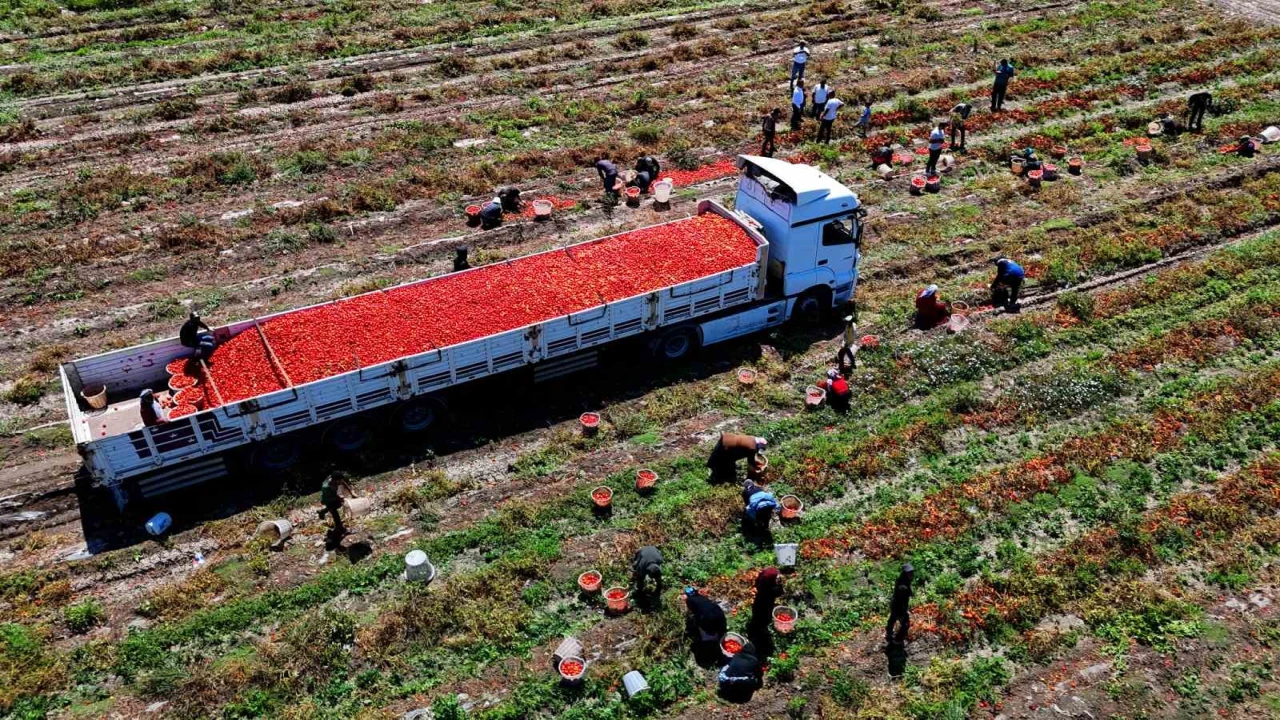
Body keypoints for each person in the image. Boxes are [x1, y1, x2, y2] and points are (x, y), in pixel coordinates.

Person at [684, 587, 728, 666]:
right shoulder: (701, 597)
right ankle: (720, 640)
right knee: (720, 630)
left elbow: (694, 612)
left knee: (707, 630)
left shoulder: (689, 600)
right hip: (719, 614)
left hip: (709, 619)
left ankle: (710, 646)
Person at [885, 563, 914, 646]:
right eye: (909, 573)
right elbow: (901, 598)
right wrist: (902, 611)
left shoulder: (904, 580)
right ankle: (898, 640)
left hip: (895, 604)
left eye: (912, 572)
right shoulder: (902, 584)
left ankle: (889, 634)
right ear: (905, 573)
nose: (911, 574)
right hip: (899, 607)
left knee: (892, 619)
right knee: (905, 624)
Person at [749, 567, 784, 633]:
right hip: (766, 606)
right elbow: (780, 592)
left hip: (758, 604)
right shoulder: (772, 590)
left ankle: (755, 626)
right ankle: (761, 629)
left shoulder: (762, 584)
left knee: (757, 616)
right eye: (776, 577)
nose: (778, 577)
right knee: (764, 617)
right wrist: (779, 585)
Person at [318, 472, 353, 537]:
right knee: (335, 513)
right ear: (335, 480)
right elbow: (334, 496)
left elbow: (343, 482)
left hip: (333, 496)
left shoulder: (336, 479)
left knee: (338, 505)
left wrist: (351, 492)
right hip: (328, 499)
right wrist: (340, 498)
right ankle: (341, 529)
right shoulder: (327, 487)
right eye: (339, 480)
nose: (340, 482)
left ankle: (322, 512)